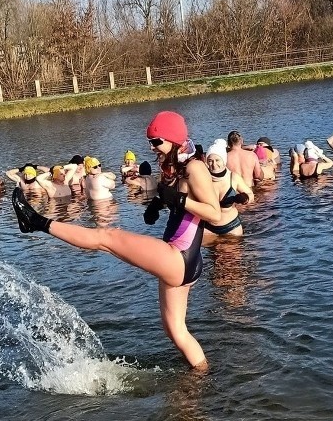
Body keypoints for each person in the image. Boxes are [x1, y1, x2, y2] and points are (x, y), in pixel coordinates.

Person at [11, 109, 221, 372]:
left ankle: (36, 222)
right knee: (175, 332)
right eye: (150, 142)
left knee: (107, 236)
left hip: (179, 256)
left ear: (174, 139)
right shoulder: (175, 164)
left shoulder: (195, 167)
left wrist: (178, 200)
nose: (152, 147)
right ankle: (203, 378)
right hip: (181, 259)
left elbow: (214, 212)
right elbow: (178, 198)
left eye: (157, 142)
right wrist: (157, 203)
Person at [202, 139, 254, 243]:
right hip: (208, 228)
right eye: (210, 160)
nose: (214, 164)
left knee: (231, 259)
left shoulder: (233, 177)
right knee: (211, 259)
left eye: (217, 160)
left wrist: (245, 198)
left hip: (231, 227)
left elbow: (251, 194)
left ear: (224, 161)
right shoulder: (203, 178)